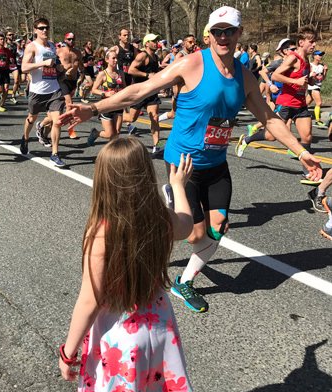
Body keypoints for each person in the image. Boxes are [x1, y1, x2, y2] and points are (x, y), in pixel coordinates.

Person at [58, 6, 322, 313]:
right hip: (183, 165)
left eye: (230, 31)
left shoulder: (245, 78)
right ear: (209, 34)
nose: (223, 37)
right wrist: (93, 109)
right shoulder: (190, 65)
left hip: (216, 165)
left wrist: (302, 153)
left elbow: (270, 118)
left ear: (238, 34)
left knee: (219, 224)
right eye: (217, 31)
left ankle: (183, 281)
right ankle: (143, 242)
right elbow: (140, 90)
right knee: (192, 232)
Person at [59, 137, 194, 392]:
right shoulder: (159, 219)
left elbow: (90, 300)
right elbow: (187, 226)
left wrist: (69, 351)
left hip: (122, 339)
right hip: (159, 328)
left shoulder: (102, 231)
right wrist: (178, 185)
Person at [237, 26, 319, 185]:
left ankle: (308, 171)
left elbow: (303, 79)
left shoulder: (307, 60)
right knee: (271, 136)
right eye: (312, 41)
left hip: (300, 104)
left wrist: (312, 80)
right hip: (286, 103)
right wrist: (296, 81)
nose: (314, 45)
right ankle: (248, 139)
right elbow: (275, 75)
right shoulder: (292, 58)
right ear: (301, 42)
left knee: (307, 136)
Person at [21, 17, 66, 167]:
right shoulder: (32, 47)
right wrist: (42, 63)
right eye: (41, 28)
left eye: (46, 27)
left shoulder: (52, 46)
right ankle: (25, 138)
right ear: (35, 31)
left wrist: (59, 67)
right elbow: (24, 68)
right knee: (31, 119)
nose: (44, 30)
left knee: (57, 121)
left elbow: (55, 64)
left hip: (54, 90)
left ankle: (54, 154)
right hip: (37, 91)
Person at [125, 33, 163, 154]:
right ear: (147, 43)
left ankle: (157, 145)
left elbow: (155, 72)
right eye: (153, 41)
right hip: (140, 91)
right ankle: (114, 115)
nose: (156, 43)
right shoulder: (142, 55)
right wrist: (147, 75)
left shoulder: (156, 57)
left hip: (151, 92)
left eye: (157, 40)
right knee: (132, 118)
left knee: (155, 117)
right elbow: (131, 70)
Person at [87, 49, 126, 145]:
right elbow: (94, 90)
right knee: (109, 134)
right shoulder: (102, 74)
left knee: (116, 133)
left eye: (116, 58)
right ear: (107, 60)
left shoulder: (121, 73)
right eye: (113, 58)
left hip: (118, 105)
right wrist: (105, 94)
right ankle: (96, 133)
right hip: (107, 106)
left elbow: (125, 88)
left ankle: (113, 156)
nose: (115, 60)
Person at [57, 32, 82, 139]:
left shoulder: (78, 53)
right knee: (69, 104)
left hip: (73, 81)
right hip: (62, 80)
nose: (71, 41)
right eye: (69, 39)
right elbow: (54, 64)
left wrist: (82, 77)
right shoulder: (59, 51)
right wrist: (62, 70)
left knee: (61, 107)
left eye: (73, 39)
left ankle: (47, 124)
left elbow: (81, 66)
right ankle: (71, 129)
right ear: (65, 39)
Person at [307, 50, 327, 127]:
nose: (320, 56)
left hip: (318, 86)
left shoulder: (321, 66)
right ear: (314, 56)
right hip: (312, 86)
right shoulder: (310, 65)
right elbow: (307, 76)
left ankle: (294, 113)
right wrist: (312, 75)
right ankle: (318, 120)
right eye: (319, 55)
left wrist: (325, 71)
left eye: (321, 55)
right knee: (319, 103)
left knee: (306, 103)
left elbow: (322, 78)